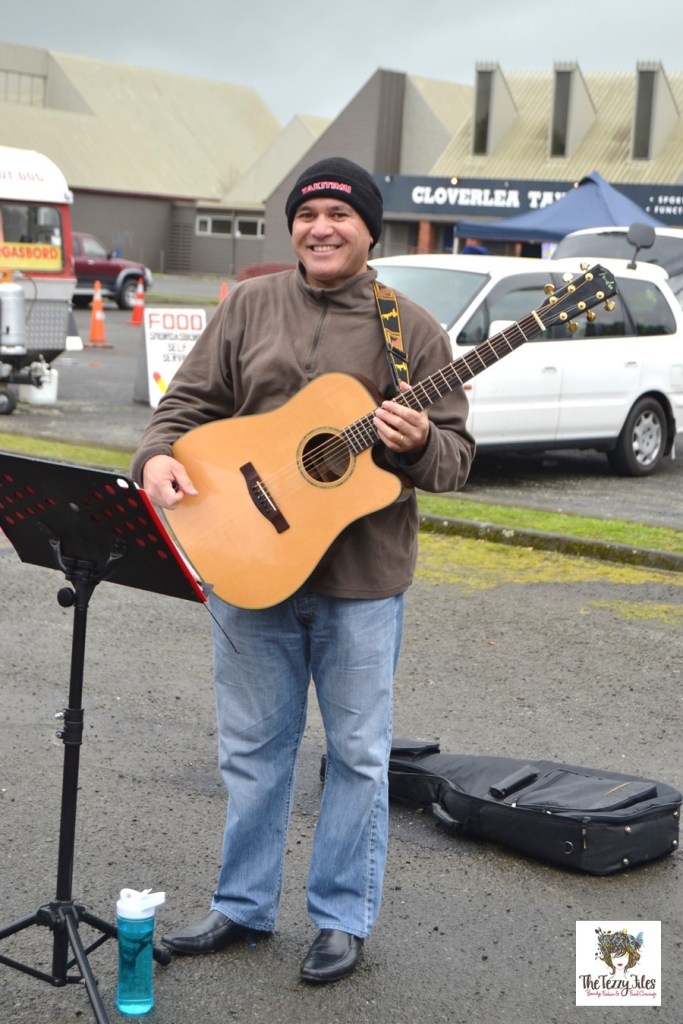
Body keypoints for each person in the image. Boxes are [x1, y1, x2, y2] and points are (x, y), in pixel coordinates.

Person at [130, 156, 475, 984]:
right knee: (252, 750)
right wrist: (154, 458)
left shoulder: (412, 330)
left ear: (368, 230)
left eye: (339, 214)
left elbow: (456, 460)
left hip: (361, 585)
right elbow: (186, 406)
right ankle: (241, 908)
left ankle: (338, 920)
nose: (321, 227)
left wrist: (420, 442)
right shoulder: (249, 304)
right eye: (307, 213)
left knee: (358, 754)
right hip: (248, 564)